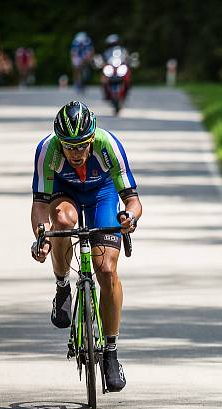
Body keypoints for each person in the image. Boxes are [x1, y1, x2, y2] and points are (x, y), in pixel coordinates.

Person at [30, 101, 142, 392]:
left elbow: (133, 200)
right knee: (63, 222)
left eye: (81, 146)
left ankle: (111, 351)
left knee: (106, 270)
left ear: (92, 140)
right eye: (69, 147)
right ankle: (62, 285)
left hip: (102, 193)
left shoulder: (109, 145)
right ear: (59, 142)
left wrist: (129, 218)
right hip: (63, 193)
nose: (76, 153)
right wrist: (42, 236)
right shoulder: (47, 150)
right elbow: (40, 204)